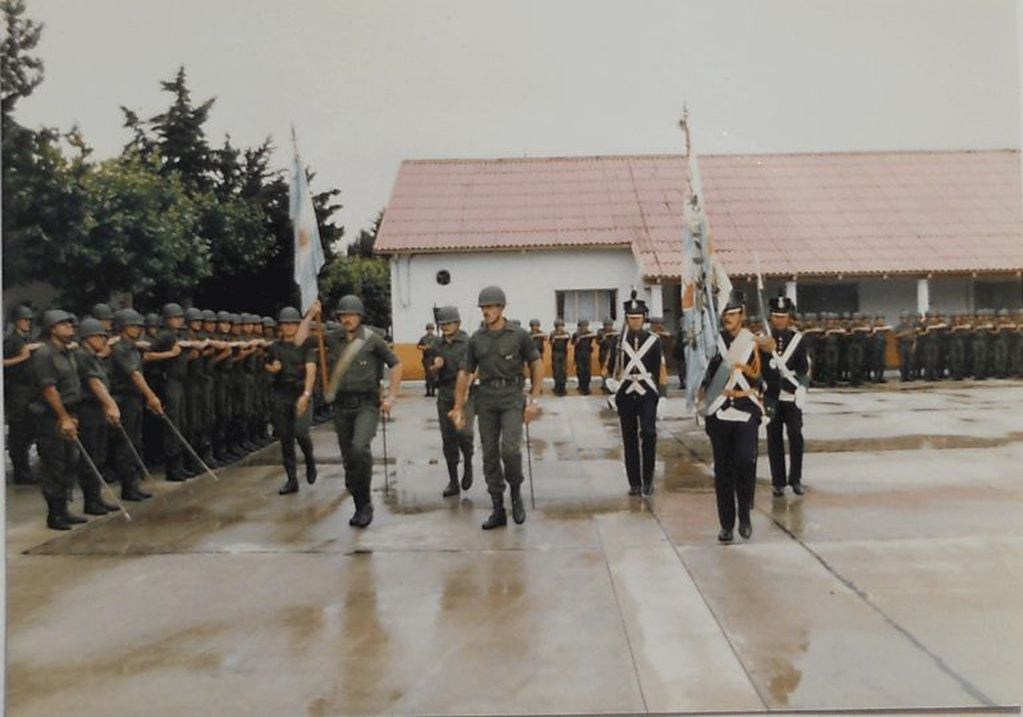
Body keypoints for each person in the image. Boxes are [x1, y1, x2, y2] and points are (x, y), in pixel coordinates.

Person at [451, 286, 543, 529]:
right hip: (486, 398)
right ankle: (497, 507)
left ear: (502, 308)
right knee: (490, 454)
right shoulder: (476, 339)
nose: (486, 311)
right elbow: (465, 372)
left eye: (490, 307)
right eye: (483, 307)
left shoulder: (519, 335)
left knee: (510, 450)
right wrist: (459, 406)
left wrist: (534, 399)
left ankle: (515, 491)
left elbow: (537, 364)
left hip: (512, 396)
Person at [323, 296, 402, 529]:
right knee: (349, 458)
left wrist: (392, 396)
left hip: (367, 405)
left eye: (351, 314)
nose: (347, 319)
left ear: (360, 316)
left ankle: (364, 504)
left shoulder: (372, 339)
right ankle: (358, 498)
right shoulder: (331, 339)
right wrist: (309, 315)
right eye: (343, 315)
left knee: (360, 448)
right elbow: (298, 341)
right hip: (341, 405)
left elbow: (396, 365)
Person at [699, 290, 764, 543]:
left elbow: (766, 377)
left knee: (745, 461)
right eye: (725, 314)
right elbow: (704, 378)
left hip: (747, 408)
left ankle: (744, 513)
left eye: (733, 314)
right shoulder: (713, 345)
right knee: (723, 469)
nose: (728, 318)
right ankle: (726, 523)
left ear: (742, 315)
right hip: (719, 409)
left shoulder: (752, 342)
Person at [604, 294, 667, 496]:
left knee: (649, 433)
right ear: (626, 319)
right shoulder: (617, 341)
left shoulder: (654, 341)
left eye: (638, 317)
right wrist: (610, 383)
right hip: (625, 393)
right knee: (629, 438)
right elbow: (611, 367)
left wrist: (663, 395)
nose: (635, 321)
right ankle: (635, 483)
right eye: (631, 318)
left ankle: (648, 479)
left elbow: (660, 369)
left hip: (647, 392)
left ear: (644, 318)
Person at [30, 310, 86, 530]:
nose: (70, 328)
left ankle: (64, 508)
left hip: (69, 413)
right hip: (51, 416)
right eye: (64, 325)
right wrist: (64, 417)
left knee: (69, 462)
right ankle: (55, 514)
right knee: (54, 464)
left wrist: (72, 416)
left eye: (70, 325)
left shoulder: (66, 352)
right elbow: (49, 389)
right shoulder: (45, 354)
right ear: (52, 328)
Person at [109, 309, 163, 501]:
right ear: (122, 328)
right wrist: (151, 396)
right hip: (124, 399)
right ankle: (127, 486)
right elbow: (134, 374)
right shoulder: (120, 349)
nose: (137, 329)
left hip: (134, 399)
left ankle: (133, 484)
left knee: (135, 441)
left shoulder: (131, 347)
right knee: (126, 444)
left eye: (139, 326)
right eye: (133, 326)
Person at [758, 294, 809, 498]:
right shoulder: (763, 338)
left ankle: (795, 479)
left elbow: (804, 369)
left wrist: (802, 389)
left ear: (789, 317)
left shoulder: (797, 339)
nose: (779, 320)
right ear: (771, 316)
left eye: (783, 316)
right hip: (771, 396)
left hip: (791, 396)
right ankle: (777, 482)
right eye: (776, 316)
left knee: (796, 436)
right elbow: (757, 367)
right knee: (774, 439)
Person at [265, 306, 318, 495]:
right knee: (286, 438)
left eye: (292, 324)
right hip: (281, 394)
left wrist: (306, 394)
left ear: (298, 325)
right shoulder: (275, 347)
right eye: (285, 324)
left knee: (301, 432)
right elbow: (267, 367)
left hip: (300, 392)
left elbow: (312, 370)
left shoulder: (305, 346)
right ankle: (292, 479)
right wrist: (274, 368)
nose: (288, 327)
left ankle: (309, 459)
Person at [73, 318, 122, 515]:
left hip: (98, 409)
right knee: (91, 456)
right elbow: (94, 383)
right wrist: (111, 405)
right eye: (100, 336)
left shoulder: (93, 356)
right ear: (88, 337)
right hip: (88, 410)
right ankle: (90, 501)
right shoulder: (82, 356)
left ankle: (96, 498)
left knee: (99, 454)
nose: (104, 340)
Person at [428, 306, 475, 497]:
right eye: (443, 324)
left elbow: (474, 367)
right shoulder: (438, 343)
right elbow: (435, 363)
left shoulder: (468, 342)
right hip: (445, 391)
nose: (446, 327)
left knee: (463, 432)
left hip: (464, 391)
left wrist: (467, 389)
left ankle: (469, 463)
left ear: (458, 323)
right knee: (448, 438)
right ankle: (453, 480)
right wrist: (436, 367)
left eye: (449, 323)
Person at [145, 303, 189, 481]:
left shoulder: (178, 335)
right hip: (169, 382)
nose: (178, 320)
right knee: (173, 425)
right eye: (174, 318)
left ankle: (179, 465)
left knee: (181, 423)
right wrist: (170, 354)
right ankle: (172, 468)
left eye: (180, 317)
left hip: (180, 382)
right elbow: (147, 356)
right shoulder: (163, 336)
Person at [4, 305, 41, 484]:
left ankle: (25, 470)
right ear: (16, 321)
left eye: (29, 320)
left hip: (30, 391)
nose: (27, 323)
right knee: (18, 435)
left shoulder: (27, 339)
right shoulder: (11, 341)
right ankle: (21, 472)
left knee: (28, 432)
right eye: (24, 319)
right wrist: (22, 357)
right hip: (17, 391)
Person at [572, 319, 596, 395]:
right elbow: (573, 343)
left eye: (586, 326)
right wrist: (578, 340)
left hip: (587, 354)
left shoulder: (589, 334)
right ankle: (581, 387)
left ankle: (587, 387)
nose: (584, 327)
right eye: (583, 326)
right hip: (579, 355)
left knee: (587, 371)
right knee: (581, 371)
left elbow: (594, 337)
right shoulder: (576, 334)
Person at [549, 319, 571, 396]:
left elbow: (568, 338)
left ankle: (563, 388)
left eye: (561, 326)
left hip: (563, 353)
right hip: (556, 353)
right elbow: (551, 342)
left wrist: (562, 335)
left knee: (563, 370)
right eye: (558, 326)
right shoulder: (553, 333)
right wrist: (554, 339)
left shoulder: (566, 333)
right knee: (556, 370)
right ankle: (557, 387)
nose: (560, 327)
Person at [417, 323, 439, 397]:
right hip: (426, 358)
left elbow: (440, 347)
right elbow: (418, 346)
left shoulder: (436, 338)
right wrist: (424, 347)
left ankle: (433, 391)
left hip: (434, 357)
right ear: (427, 330)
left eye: (431, 329)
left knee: (434, 374)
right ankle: (428, 391)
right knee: (428, 375)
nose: (430, 330)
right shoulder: (423, 338)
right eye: (429, 329)